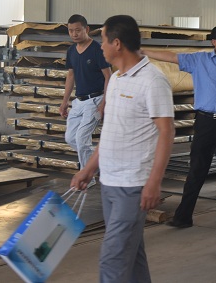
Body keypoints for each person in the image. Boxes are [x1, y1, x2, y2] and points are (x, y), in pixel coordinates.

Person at [71, 15, 174, 283]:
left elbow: (167, 132)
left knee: (113, 258)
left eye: (103, 40)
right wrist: (88, 169)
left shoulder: (153, 81)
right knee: (132, 252)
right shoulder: (116, 79)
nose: (100, 46)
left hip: (133, 185)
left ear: (117, 43)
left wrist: (154, 182)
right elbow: (110, 133)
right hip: (109, 182)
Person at [142, 24, 216, 227]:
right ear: (214, 42)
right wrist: (143, 51)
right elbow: (171, 57)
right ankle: (183, 217)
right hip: (204, 122)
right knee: (196, 170)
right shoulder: (199, 60)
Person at [60, 14, 112, 186]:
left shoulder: (97, 49)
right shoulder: (71, 51)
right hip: (79, 101)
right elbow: (71, 76)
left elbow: (108, 76)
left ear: (86, 29)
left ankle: (87, 177)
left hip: (95, 100)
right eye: (70, 31)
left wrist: (104, 104)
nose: (74, 34)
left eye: (77, 30)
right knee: (70, 138)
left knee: (82, 139)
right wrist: (64, 101)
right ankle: (101, 162)